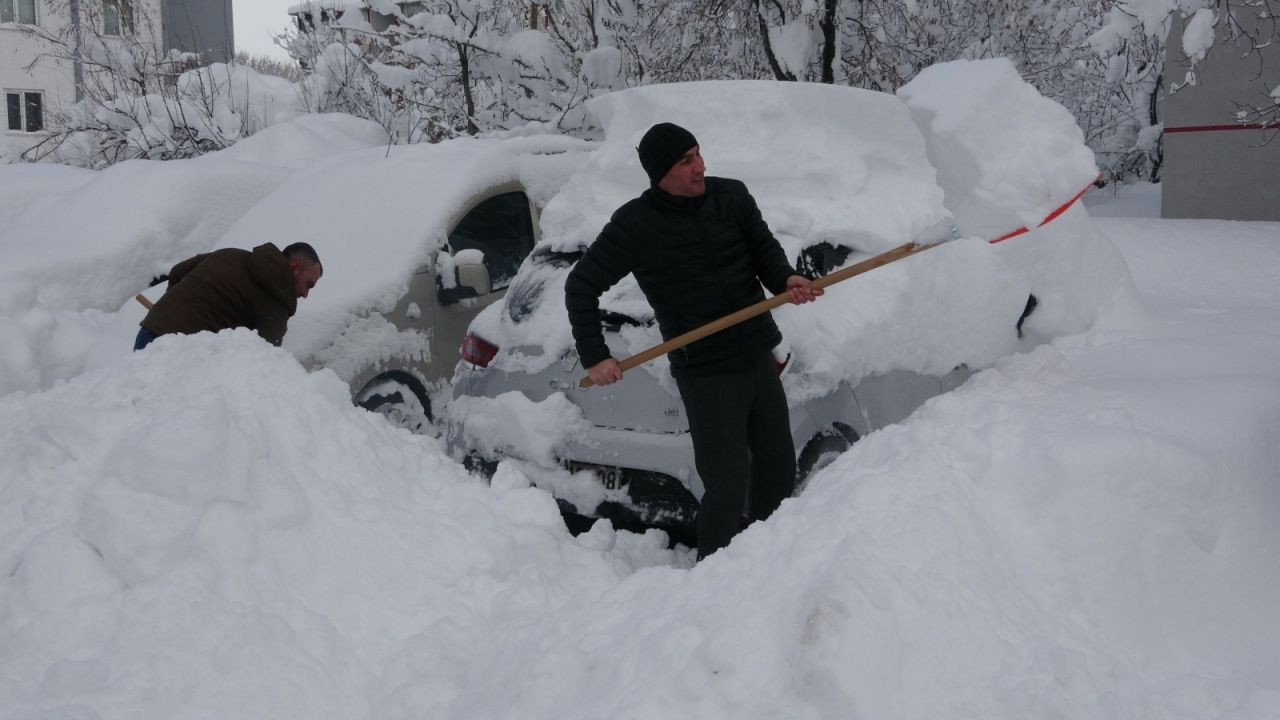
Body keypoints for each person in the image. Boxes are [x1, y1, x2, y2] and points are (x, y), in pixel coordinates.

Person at [564, 122, 822, 559]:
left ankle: (770, 563)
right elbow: (580, 286)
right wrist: (595, 355)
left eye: (698, 154)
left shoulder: (731, 197)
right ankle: (715, 575)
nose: (700, 166)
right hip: (706, 371)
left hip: (756, 352)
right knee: (727, 484)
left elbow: (763, 249)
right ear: (660, 172)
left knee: (778, 469)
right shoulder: (635, 225)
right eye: (686, 161)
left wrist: (785, 278)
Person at [134, 242, 323, 351]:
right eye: (309, 284)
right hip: (178, 353)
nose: (306, 294)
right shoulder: (276, 300)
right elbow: (266, 355)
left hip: (150, 331)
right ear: (294, 267)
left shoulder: (232, 254)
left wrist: (171, 313)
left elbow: (178, 271)